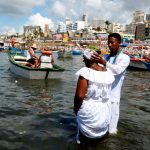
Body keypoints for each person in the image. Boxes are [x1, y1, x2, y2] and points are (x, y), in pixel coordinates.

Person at [91, 33, 130, 134]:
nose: (109, 45)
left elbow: (117, 70)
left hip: (113, 97)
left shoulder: (124, 57)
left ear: (119, 43)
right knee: (100, 123)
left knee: (112, 129)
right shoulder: (106, 56)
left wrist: (104, 63)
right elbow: (98, 70)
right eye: (108, 42)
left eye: (112, 42)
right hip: (102, 96)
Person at [74, 50, 115, 143]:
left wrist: (76, 109)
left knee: (85, 140)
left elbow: (80, 96)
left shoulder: (85, 72)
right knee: (100, 138)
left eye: (84, 59)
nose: (83, 62)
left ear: (87, 60)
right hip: (105, 109)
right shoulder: (108, 72)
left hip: (90, 110)